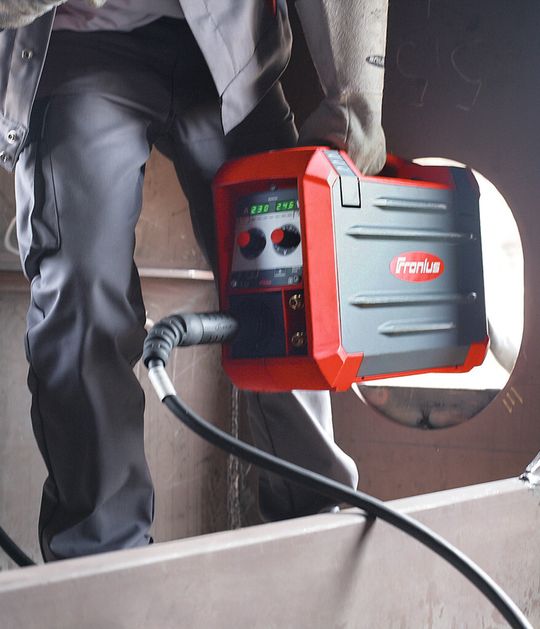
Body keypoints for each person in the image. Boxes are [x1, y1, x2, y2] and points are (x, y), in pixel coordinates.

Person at [0, 0, 387, 561]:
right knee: (82, 296)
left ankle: (317, 530)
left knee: (288, 285)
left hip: (229, 50)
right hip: (82, 41)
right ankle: (102, 560)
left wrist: (357, 97)